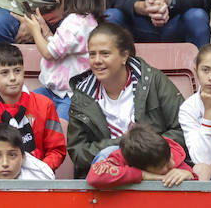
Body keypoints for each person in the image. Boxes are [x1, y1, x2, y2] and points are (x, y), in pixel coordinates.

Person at [66, 22, 186, 177]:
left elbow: (182, 129)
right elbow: (78, 152)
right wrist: (125, 145)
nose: (96, 60)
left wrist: (146, 150)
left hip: (156, 167)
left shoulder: (153, 80)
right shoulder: (82, 95)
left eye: (105, 54)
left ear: (124, 56)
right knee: (106, 154)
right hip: (108, 176)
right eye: (92, 54)